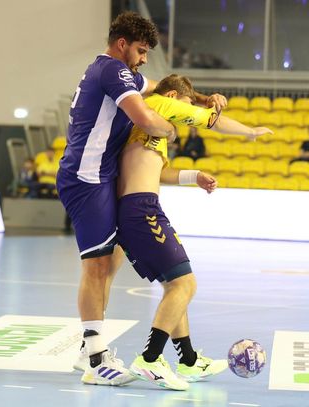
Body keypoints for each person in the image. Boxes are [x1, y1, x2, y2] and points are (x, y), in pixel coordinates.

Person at [56, 12, 227, 387]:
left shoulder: (125, 74)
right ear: (122, 45)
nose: (145, 58)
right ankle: (95, 358)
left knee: (117, 268)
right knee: (98, 268)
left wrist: (201, 98)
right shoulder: (113, 71)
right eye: (141, 50)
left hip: (103, 177)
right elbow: (148, 120)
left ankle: (179, 357)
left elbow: (156, 88)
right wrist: (172, 129)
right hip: (87, 178)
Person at [116, 74, 272, 390]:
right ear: (173, 97)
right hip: (140, 209)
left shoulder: (152, 125)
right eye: (185, 106)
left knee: (176, 284)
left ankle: (188, 361)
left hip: (140, 207)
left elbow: (158, 171)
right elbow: (211, 121)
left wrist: (194, 176)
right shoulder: (159, 104)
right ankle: (149, 359)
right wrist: (250, 132)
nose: (184, 116)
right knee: (185, 284)